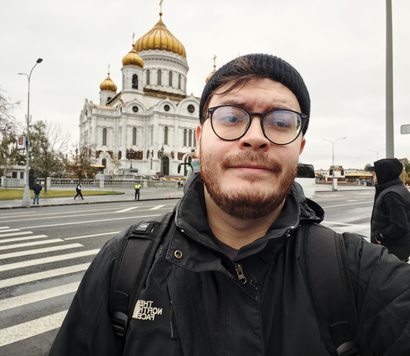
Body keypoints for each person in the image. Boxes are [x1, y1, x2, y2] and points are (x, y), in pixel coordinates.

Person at [49, 54, 410, 355]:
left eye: (281, 122)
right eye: (231, 118)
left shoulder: (354, 272)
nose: (254, 137)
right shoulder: (124, 266)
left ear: (298, 148)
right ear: (201, 138)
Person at [370, 158, 410, 262]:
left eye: (376, 171)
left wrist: (380, 236)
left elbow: (400, 226)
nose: (373, 174)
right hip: (394, 251)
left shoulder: (391, 195)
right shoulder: (396, 189)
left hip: (391, 253)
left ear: (384, 173)